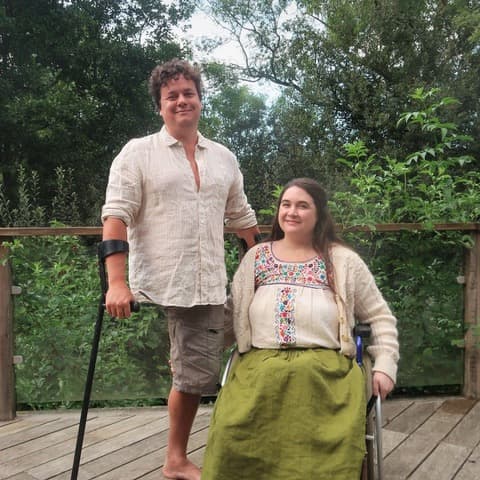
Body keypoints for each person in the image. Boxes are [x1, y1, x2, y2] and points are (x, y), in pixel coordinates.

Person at [101, 58, 260, 480]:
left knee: (228, 341)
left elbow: (242, 216)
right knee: (193, 376)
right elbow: (115, 217)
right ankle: (175, 459)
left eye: (188, 93)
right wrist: (116, 283)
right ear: (160, 106)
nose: (181, 100)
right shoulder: (138, 153)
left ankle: (188, 366)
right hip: (167, 280)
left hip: (210, 280)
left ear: (200, 100)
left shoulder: (223, 158)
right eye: (171, 95)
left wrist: (263, 262)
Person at [201, 178, 399, 480]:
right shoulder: (256, 258)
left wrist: (385, 365)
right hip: (258, 371)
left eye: (302, 205)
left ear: (319, 214)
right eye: (286, 204)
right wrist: (197, 354)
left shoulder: (343, 261)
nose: (292, 212)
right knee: (230, 431)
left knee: (325, 442)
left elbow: (380, 316)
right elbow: (231, 317)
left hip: (325, 374)